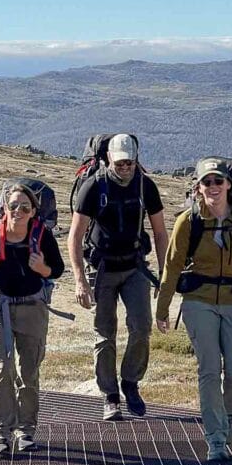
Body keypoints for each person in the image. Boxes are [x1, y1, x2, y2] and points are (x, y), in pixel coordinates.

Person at [155, 158, 232, 461]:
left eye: (218, 181)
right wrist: (162, 308)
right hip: (198, 302)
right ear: (198, 187)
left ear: (229, 185)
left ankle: (228, 417)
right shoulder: (189, 221)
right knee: (208, 370)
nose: (213, 187)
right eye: (207, 182)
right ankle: (215, 439)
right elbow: (172, 265)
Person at [67, 134, 167, 421]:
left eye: (129, 162)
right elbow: (74, 236)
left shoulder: (145, 186)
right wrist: (79, 280)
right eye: (120, 162)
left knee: (141, 327)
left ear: (136, 160)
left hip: (135, 266)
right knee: (104, 332)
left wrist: (165, 274)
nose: (125, 167)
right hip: (102, 269)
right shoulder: (93, 186)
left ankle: (130, 383)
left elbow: (160, 232)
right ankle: (109, 395)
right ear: (109, 158)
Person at [0, 184, 64, 456]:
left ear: (34, 211)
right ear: (4, 208)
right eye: (13, 206)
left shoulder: (41, 236)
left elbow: (56, 269)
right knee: (2, 366)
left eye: (24, 207)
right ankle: (1, 433)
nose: (18, 211)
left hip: (32, 307)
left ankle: (26, 431)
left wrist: (41, 268)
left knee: (28, 370)